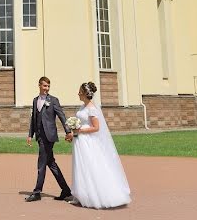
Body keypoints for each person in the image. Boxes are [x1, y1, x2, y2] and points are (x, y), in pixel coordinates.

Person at [68, 81, 131, 209]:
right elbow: (80, 123)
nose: (78, 93)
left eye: (80, 91)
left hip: (88, 142)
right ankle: (81, 194)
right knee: (80, 166)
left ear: (85, 94)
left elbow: (96, 127)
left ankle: (95, 195)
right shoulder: (82, 107)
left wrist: (79, 131)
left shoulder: (91, 109)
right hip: (79, 141)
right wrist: (73, 132)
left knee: (90, 166)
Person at [25, 76, 73, 202]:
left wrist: (68, 130)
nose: (46, 88)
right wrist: (30, 134)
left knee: (41, 163)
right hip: (40, 136)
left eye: (48, 86)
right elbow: (34, 119)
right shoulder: (35, 100)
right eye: (44, 86)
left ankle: (37, 192)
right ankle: (66, 190)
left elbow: (62, 116)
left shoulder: (53, 100)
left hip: (49, 136)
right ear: (39, 85)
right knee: (51, 163)